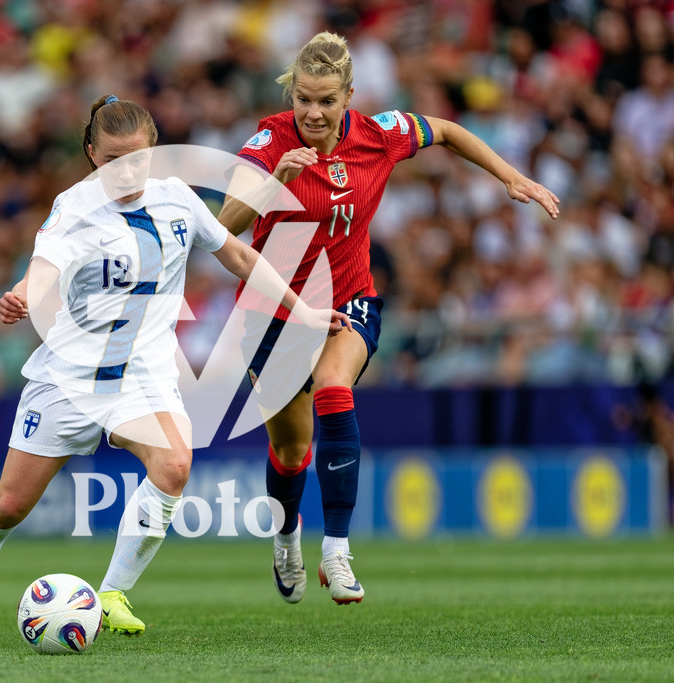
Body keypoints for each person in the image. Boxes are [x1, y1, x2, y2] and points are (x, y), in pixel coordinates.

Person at [0, 95, 349, 639]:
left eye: (138, 159)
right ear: (92, 154)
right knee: (9, 505)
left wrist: (302, 307)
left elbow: (236, 254)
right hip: (71, 376)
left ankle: (114, 592)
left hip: (142, 374)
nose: (127, 171)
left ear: (155, 151)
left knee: (173, 467)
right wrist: (23, 294)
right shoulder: (74, 208)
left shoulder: (177, 200)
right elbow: (43, 267)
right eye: (114, 159)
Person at [218, 32, 561, 605]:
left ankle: (338, 550)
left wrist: (509, 176)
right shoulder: (267, 142)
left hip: (349, 298)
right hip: (274, 311)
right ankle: (285, 537)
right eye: (304, 98)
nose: (313, 112)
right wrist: (275, 177)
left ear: (349, 96)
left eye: (327, 100)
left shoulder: (379, 136)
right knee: (289, 451)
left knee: (333, 387)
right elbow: (223, 226)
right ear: (292, 94)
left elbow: (446, 130)